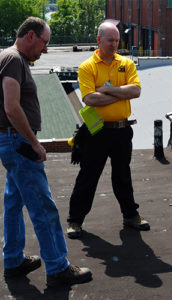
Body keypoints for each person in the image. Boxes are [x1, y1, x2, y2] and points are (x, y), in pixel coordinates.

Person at [0, 17, 92, 286]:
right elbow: (11, 107)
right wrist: (33, 142)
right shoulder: (14, 60)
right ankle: (57, 267)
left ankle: (13, 260)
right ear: (30, 36)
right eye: (45, 43)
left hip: (11, 143)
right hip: (19, 144)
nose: (46, 49)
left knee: (14, 204)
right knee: (44, 207)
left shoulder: (8, 57)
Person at [67, 21, 150, 239]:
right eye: (110, 40)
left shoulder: (126, 64)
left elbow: (136, 90)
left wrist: (107, 89)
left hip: (122, 130)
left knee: (123, 175)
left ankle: (130, 215)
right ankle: (75, 220)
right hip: (98, 131)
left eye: (117, 40)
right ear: (99, 40)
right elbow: (89, 99)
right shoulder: (87, 67)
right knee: (88, 175)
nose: (115, 44)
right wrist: (119, 92)